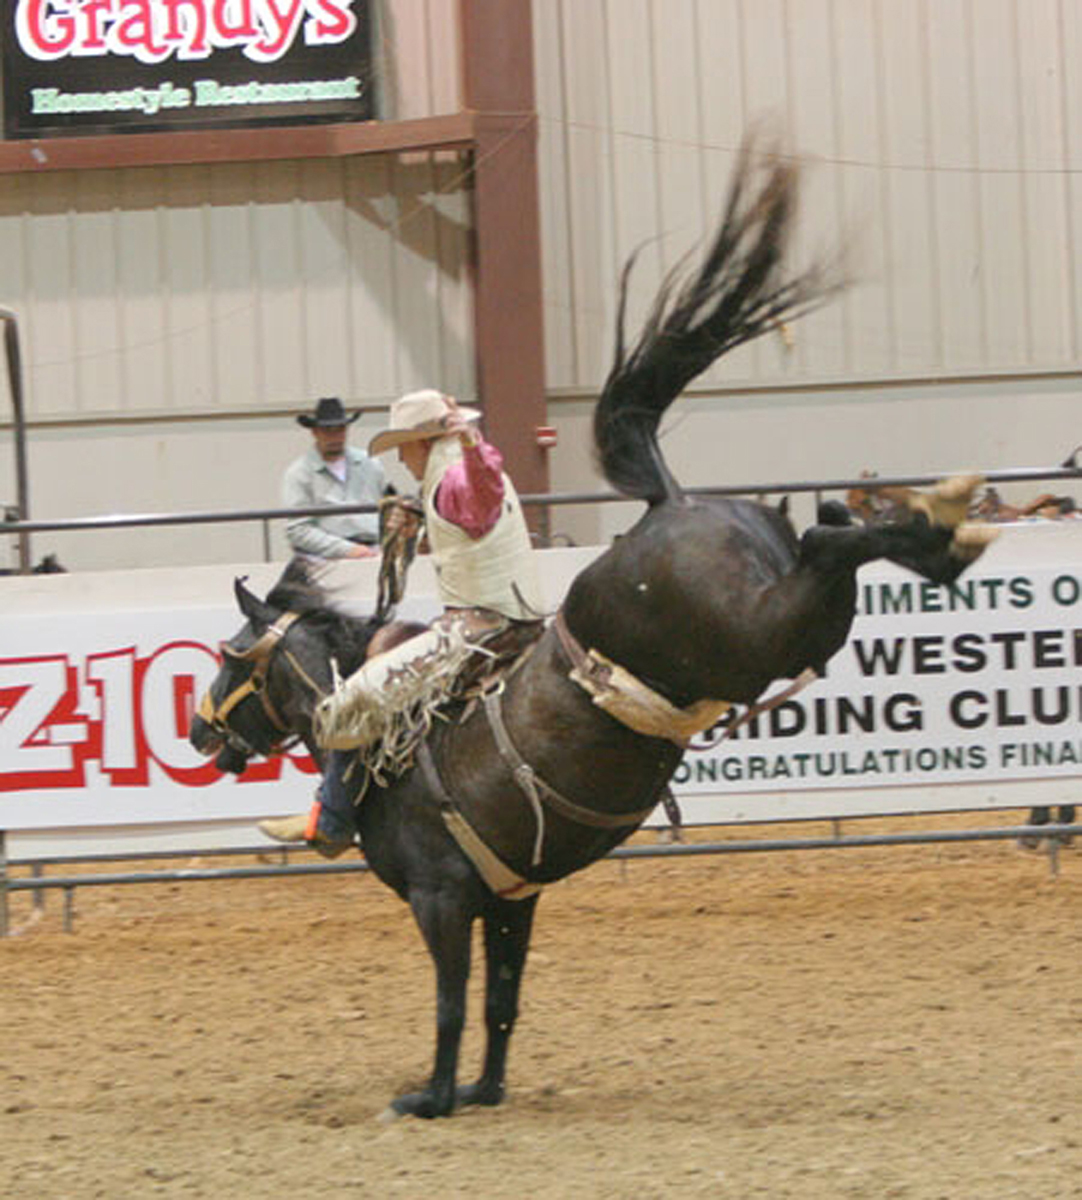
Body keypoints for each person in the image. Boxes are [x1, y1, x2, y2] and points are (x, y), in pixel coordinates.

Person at [260, 388, 544, 855]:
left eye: (403, 449)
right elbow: (479, 508)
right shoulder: (451, 477)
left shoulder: (455, 478)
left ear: (423, 443)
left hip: (480, 627)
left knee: (353, 702)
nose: (402, 462)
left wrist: (473, 447)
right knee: (386, 650)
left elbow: (480, 496)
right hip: (510, 613)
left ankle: (332, 817)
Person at [282, 396, 386, 559]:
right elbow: (297, 530)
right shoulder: (299, 473)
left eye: (339, 429)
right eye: (327, 431)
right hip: (323, 557)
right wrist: (347, 550)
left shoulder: (371, 464)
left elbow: (390, 507)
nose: (335, 437)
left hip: (375, 550)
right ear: (314, 432)